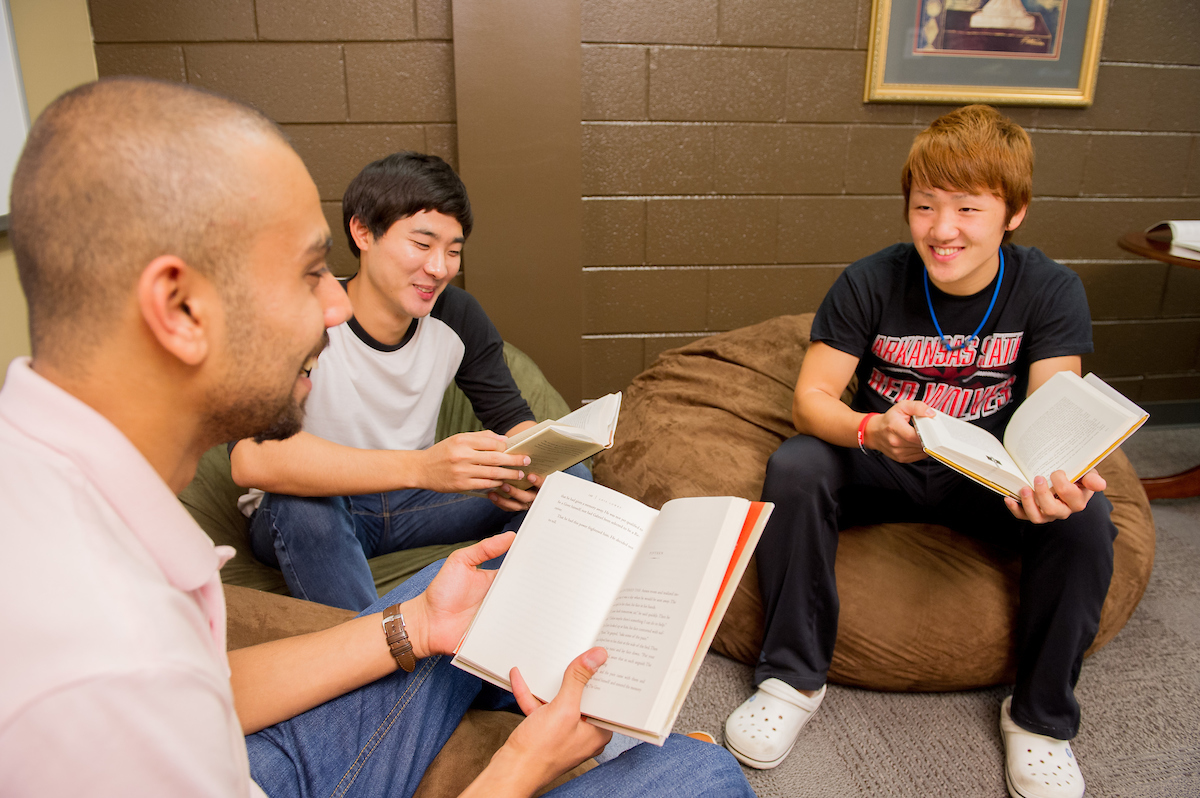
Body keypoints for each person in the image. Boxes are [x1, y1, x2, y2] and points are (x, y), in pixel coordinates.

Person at [0, 77, 754, 798]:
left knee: (479, 576)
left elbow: (204, 694)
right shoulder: (80, 666)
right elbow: (256, 471)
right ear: (180, 308)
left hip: (248, 747)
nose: (333, 307)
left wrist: (417, 624)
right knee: (706, 775)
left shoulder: (68, 500)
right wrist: (521, 765)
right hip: (337, 524)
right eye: (309, 272)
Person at [724, 105, 1112, 798]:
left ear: (1014, 213)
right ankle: (791, 679)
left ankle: (1040, 719)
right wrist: (871, 430)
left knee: (1085, 518)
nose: (942, 229)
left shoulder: (1051, 288)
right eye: (925, 206)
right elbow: (811, 399)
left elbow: (1055, 413)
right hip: (886, 457)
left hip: (989, 474)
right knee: (796, 464)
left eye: (968, 209)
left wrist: (1055, 480)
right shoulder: (870, 280)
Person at [230, 151, 590, 611]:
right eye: (422, 244)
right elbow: (252, 458)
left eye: (453, 251)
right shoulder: (307, 312)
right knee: (302, 508)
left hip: (417, 504)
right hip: (318, 506)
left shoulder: (457, 315)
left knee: (570, 479)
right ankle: (379, 643)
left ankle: (482, 615)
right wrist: (422, 467)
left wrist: (533, 464)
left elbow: (512, 419)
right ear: (363, 232)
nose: (439, 268)